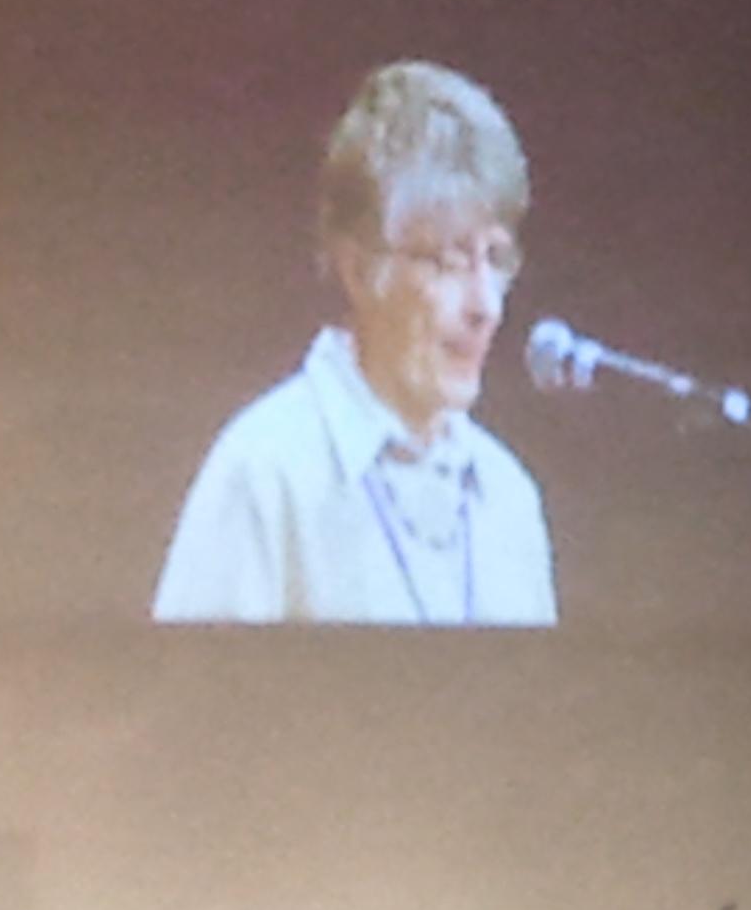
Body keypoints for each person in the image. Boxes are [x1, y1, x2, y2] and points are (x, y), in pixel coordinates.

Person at [152, 60, 556, 624]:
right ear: (360, 270)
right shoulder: (265, 471)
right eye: (449, 260)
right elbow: (190, 683)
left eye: (495, 257)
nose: (485, 305)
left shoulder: (509, 496)